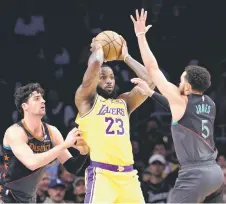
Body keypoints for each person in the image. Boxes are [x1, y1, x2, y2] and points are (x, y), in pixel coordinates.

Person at [129, 9, 224, 203]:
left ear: (188, 86)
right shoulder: (210, 104)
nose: (178, 83)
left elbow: (152, 68)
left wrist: (140, 36)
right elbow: (180, 113)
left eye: (181, 80)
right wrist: (150, 93)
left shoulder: (182, 100)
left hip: (195, 176)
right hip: (215, 174)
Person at [74, 35, 163, 203]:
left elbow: (150, 82)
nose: (109, 81)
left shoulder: (124, 102)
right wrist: (99, 49)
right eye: (103, 77)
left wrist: (126, 57)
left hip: (128, 176)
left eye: (112, 77)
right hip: (102, 175)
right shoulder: (86, 100)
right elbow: (94, 64)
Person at [0, 83, 89, 203]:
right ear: (25, 106)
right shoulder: (15, 132)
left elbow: (72, 167)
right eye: (37, 98)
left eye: (42, 97)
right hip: (6, 198)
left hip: (30, 199)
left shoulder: (52, 131)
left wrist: (84, 152)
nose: (43, 101)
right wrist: (65, 144)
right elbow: (31, 163)